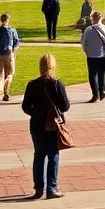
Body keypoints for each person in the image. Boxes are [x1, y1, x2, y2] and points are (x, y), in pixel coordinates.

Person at [21, 54, 71, 199]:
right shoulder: (57, 84)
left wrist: (36, 113)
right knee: (53, 155)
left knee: (39, 156)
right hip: (53, 124)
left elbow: (25, 107)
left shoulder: (32, 84)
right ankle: (51, 188)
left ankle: (38, 188)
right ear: (53, 67)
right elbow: (65, 106)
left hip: (36, 124)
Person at [81, 11, 105, 102]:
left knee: (92, 75)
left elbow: (84, 43)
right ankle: (102, 90)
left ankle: (95, 94)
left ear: (92, 18)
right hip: (102, 55)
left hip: (91, 55)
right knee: (102, 73)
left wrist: (87, 52)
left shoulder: (88, 30)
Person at [0, 13, 20, 102]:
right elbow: (16, 43)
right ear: (8, 20)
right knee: (9, 74)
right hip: (8, 55)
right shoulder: (12, 30)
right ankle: (5, 92)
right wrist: (13, 49)